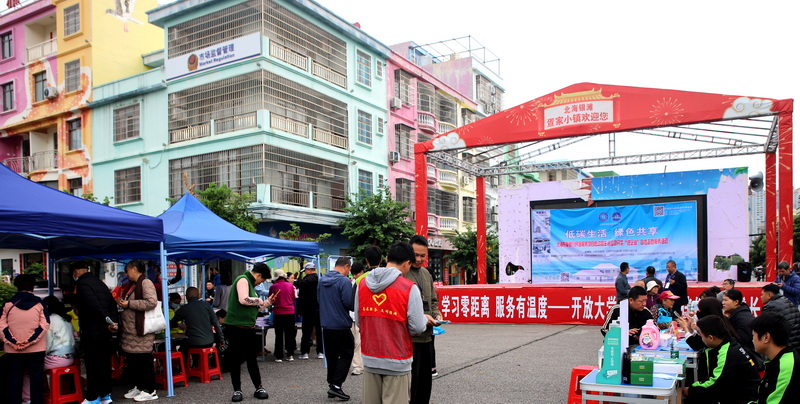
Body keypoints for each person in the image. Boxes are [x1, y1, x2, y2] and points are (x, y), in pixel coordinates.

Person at [355, 241, 427, 404]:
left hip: (370, 358)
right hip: (397, 360)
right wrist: (424, 319)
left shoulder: (362, 285)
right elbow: (417, 327)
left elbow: (359, 321)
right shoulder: (409, 288)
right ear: (407, 263)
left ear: (387, 258)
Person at [71, 260, 119, 404]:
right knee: (104, 364)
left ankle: (92, 397)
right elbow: (112, 304)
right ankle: (105, 395)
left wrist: (106, 321)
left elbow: (93, 306)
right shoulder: (100, 283)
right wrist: (112, 323)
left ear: (76, 271)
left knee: (92, 365)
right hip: (105, 332)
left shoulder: (82, 284)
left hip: (92, 330)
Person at [226, 263, 274, 402]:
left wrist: (267, 303)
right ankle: (237, 389)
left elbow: (252, 309)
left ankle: (258, 387)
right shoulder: (243, 279)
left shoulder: (250, 284)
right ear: (258, 275)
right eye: (262, 280)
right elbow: (244, 300)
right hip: (235, 327)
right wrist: (259, 300)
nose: (260, 283)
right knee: (235, 360)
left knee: (252, 359)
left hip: (248, 327)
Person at [682, 315, 760, 403]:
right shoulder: (729, 343)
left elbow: (715, 383)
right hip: (735, 393)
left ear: (711, 338)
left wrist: (689, 390)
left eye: (701, 336)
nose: (701, 338)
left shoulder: (727, 353)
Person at [0, 274, 50, 404]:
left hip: (13, 350)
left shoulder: (8, 305)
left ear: (16, 287)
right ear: (33, 287)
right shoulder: (40, 304)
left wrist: (13, 341)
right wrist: (29, 341)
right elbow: (44, 325)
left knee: (15, 378)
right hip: (36, 349)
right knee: (36, 378)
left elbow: (2, 326)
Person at [404, 235, 442, 404]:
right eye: (416, 255)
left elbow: (432, 300)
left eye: (423, 255)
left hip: (427, 336)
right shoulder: (402, 273)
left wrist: (437, 314)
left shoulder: (426, 274)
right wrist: (419, 318)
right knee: (410, 385)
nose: (419, 259)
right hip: (410, 339)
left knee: (425, 384)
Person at [116, 260, 159, 402]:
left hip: (141, 330)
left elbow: (151, 302)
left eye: (127, 270)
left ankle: (150, 390)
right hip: (131, 330)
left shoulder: (146, 283)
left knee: (144, 361)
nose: (127, 274)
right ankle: (140, 387)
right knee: (134, 361)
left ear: (134, 269)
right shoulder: (133, 285)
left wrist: (129, 304)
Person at [318, 257, 356, 400]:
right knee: (347, 354)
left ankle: (331, 384)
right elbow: (349, 303)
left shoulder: (322, 280)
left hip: (327, 324)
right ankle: (336, 385)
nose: (349, 272)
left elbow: (319, 299)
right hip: (341, 324)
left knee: (331, 356)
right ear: (346, 266)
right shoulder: (344, 281)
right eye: (349, 269)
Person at [750, 312, 800, 403]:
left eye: (753, 336)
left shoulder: (786, 365)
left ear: (766, 337)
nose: (752, 340)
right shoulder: (776, 359)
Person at [170, 287, 224, 361]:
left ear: (186, 297)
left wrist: (178, 325)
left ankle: (186, 367)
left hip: (193, 343)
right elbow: (216, 323)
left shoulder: (184, 308)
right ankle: (205, 363)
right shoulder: (206, 305)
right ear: (198, 295)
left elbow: (172, 322)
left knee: (183, 349)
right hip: (209, 342)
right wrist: (221, 339)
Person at [760, 283, 800, 349]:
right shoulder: (786, 300)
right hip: (796, 342)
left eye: (762, 294)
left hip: (786, 344)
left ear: (769, 295)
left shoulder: (770, 306)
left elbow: (763, 327)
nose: (761, 297)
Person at [269, 269, 297, 362]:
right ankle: (290, 354)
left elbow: (271, 299)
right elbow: (293, 298)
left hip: (278, 312)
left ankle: (279, 355)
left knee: (279, 335)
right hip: (290, 312)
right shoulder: (290, 286)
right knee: (290, 334)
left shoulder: (273, 287)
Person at [297, 262, 322, 360]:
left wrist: (299, 310)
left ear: (308, 270)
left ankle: (305, 352)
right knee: (319, 331)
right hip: (319, 308)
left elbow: (302, 297)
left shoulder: (305, 281)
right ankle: (321, 352)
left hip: (308, 309)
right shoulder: (320, 279)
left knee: (306, 331)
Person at [722, 288, 756, 353]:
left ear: (736, 302)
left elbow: (744, 340)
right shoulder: (734, 315)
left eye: (726, 300)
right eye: (723, 300)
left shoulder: (743, 318)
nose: (723, 303)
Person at [349, 262, 366, 376]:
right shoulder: (352, 282)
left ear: (362, 272)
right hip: (353, 317)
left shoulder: (362, 282)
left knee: (358, 343)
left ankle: (358, 366)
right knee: (356, 343)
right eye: (353, 274)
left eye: (356, 274)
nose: (355, 276)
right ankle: (359, 365)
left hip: (359, 317)